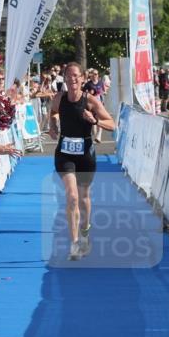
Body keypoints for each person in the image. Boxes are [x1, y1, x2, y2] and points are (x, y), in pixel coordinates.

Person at [49, 63, 115, 260]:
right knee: (72, 196)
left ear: (83, 78)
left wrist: (95, 121)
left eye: (76, 76)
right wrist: (53, 126)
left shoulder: (91, 101)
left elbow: (112, 124)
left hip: (86, 155)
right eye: (68, 76)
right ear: (64, 78)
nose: (72, 80)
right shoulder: (59, 98)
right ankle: (75, 243)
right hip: (65, 154)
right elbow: (52, 113)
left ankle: (85, 232)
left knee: (84, 198)